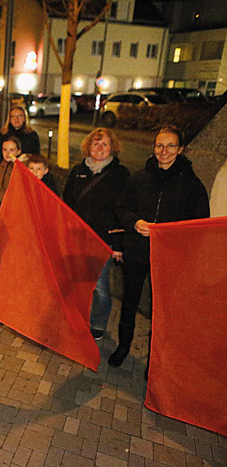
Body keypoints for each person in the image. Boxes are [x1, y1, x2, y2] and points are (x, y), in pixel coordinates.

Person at [111, 125, 209, 372]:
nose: (164, 151)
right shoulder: (140, 178)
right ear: (154, 147)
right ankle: (123, 346)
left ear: (181, 149)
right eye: (159, 145)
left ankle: (155, 357)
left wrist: (168, 231)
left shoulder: (191, 184)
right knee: (129, 301)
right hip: (136, 251)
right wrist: (135, 222)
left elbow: (198, 222)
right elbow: (121, 208)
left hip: (168, 256)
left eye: (170, 146)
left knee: (161, 309)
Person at [62, 129, 130, 340]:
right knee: (76, 283)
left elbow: (124, 210)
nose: (100, 148)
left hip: (104, 240)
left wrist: (117, 245)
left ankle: (98, 323)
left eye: (105, 144)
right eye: (96, 144)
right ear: (88, 147)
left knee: (100, 286)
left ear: (112, 148)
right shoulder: (77, 171)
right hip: (78, 238)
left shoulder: (121, 175)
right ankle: (76, 318)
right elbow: (67, 204)